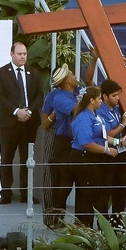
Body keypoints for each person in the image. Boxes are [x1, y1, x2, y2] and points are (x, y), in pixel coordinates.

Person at [0, 41, 43, 204]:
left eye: (24, 54)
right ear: (12, 54)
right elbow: (0, 97)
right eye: (19, 54)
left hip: (29, 122)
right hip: (8, 122)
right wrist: (17, 111)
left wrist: (28, 111)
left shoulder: (33, 73)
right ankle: (6, 193)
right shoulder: (1, 73)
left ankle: (26, 193)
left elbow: (39, 96)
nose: (23, 57)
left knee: (27, 158)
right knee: (6, 157)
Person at [69, 86, 117, 227]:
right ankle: (85, 224)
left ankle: (95, 224)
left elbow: (102, 136)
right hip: (83, 157)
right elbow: (86, 143)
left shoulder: (96, 115)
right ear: (91, 100)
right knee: (87, 192)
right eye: (99, 99)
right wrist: (106, 151)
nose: (101, 101)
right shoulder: (83, 118)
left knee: (94, 191)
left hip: (93, 158)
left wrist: (118, 142)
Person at [40, 63, 80, 228]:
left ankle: (59, 217)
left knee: (64, 180)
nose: (74, 75)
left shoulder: (75, 92)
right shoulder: (54, 97)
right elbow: (44, 123)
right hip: (56, 136)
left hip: (70, 141)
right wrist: (54, 115)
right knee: (52, 178)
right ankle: (51, 219)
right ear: (64, 80)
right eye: (70, 73)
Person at [96, 79, 126, 217]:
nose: (117, 98)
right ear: (105, 96)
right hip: (107, 154)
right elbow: (106, 135)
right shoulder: (100, 112)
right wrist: (123, 124)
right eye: (114, 95)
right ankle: (103, 225)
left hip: (121, 153)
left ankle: (118, 223)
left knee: (121, 190)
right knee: (105, 191)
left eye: (118, 95)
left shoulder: (117, 109)